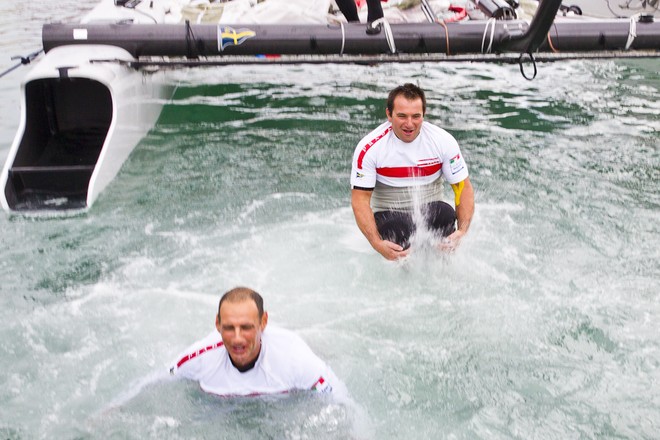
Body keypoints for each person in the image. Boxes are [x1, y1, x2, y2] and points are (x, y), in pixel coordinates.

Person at [350, 83, 475, 261]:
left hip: (429, 207)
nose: (409, 124)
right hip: (389, 214)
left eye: (416, 116)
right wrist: (377, 243)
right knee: (401, 226)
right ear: (389, 115)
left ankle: (441, 267)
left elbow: (463, 187)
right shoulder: (369, 148)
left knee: (446, 214)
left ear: (424, 115)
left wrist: (462, 231)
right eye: (402, 116)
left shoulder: (443, 141)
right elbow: (360, 200)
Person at [169, 287, 338, 396]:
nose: (237, 338)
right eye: (228, 328)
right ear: (217, 324)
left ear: (263, 322)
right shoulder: (198, 358)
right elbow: (160, 384)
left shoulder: (295, 359)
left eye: (246, 328)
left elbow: (338, 399)